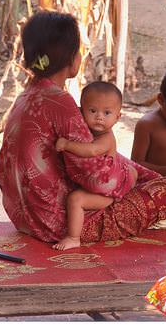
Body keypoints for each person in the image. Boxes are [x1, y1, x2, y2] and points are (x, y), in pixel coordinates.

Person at [0, 11, 166, 244]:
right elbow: (96, 179)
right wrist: (129, 174)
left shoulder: (25, 97)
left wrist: (139, 171)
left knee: (139, 171)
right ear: (71, 59)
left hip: (25, 218)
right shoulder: (61, 103)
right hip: (60, 223)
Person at [54, 82, 137, 250]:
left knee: (75, 199)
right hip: (103, 183)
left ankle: (73, 237)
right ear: (80, 111)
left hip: (108, 191)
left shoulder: (106, 137)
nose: (99, 117)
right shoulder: (84, 129)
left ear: (117, 117)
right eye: (92, 111)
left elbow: (92, 150)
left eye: (107, 113)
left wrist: (66, 145)